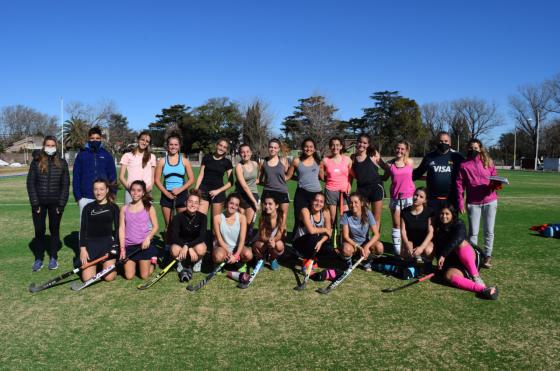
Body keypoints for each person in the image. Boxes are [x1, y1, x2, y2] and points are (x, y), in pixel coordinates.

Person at [433, 204, 498, 300]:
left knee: (461, 243)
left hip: (470, 258)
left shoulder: (459, 223)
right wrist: (441, 263)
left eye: (447, 213)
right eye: (442, 213)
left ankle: (476, 277)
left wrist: (443, 254)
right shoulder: (437, 227)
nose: (444, 216)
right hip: (454, 264)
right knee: (448, 276)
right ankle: (482, 289)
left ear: (453, 215)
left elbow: (459, 238)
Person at [26, 136, 69, 271]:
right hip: (39, 204)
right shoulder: (36, 162)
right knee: (39, 231)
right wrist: (35, 203)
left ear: (56, 147)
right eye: (48, 145)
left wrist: (61, 204)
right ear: (44, 146)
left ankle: (53, 258)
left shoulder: (62, 163)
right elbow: (30, 183)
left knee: (54, 230)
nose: (50, 147)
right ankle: (38, 259)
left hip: (55, 204)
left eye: (53, 145)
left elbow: (65, 185)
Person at [456, 138, 499, 269]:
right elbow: (459, 185)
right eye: (471, 148)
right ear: (468, 149)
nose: (473, 150)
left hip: (490, 201)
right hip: (473, 203)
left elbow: (495, 177)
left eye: (476, 148)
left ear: (480, 149)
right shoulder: (463, 165)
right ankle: (473, 256)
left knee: (489, 231)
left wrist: (496, 184)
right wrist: (460, 203)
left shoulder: (488, 162)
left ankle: (487, 256)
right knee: (473, 232)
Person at [154, 132, 195, 241]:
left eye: (176, 144)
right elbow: (156, 180)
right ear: (167, 146)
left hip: (181, 195)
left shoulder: (184, 161)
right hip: (166, 196)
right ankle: (168, 248)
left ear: (179, 146)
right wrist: (167, 193)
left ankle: (183, 247)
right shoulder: (162, 161)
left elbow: (191, 179)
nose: (173, 147)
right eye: (171, 144)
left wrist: (180, 190)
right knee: (169, 225)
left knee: (183, 224)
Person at [378, 140, 415, 255]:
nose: (399, 150)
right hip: (395, 198)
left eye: (402, 149)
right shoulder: (390, 164)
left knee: (409, 224)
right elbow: (384, 177)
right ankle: (397, 251)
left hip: (409, 198)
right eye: (398, 148)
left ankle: (408, 248)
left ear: (406, 150)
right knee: (397, 224)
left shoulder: (410, 162)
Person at [79, 178, 119, 282]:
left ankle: (112, 265)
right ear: (93, 190)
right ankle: (98, 265)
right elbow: (83, 229)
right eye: (96, 189)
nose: (98, 192)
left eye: (101, 189)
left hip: (107, 245)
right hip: (91, 245)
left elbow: (118, 228)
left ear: (107, 190)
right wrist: (83, 249)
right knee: (87, 279)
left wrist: (115, 246)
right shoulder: (87, 208)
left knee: (109, 277)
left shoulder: (113, 207)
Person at [73, 126, 117, 220]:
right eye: (92, 138)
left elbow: (112, 176)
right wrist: (78, 197)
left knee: (102, 224)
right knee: (85, 226)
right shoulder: (82, 155)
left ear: (101, 139)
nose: (95, 140)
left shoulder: (106, 155)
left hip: (104, 196)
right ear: (88, 139)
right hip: (85, 197)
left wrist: (112, 194)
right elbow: (76, 177)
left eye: (97, 138)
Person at [413, 131, 464, 211]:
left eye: (446, 141)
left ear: (450, 143)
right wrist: (402, 175)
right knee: (431, 223)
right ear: (437, 142)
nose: (443, 143)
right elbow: (418, 173)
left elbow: (468, 172)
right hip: (432, 200)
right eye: (440, 141)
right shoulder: (429, 157)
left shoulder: (457, 157)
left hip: (451, 200)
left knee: (450, 223)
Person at [118, 180, 159, 280]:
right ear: (129, 191)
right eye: (133, 190)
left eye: (139, 190)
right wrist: (122, 248)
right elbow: (121, 228)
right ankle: (137, 263)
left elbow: (155, 226)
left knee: (144, 276)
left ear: (143, 192)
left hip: (143, 246)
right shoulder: (124, 209)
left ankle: (152, 262)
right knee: (129, 276)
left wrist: (148, 238)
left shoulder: (149, 207)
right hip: (129, 246)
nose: (135, 193)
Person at [169, 190, 207, 282]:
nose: (193, 205)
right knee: (174, 250)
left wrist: (188, 246)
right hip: (181, 245)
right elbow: (174, 237)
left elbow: (202, 237)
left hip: (195, 245)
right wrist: (186, 246)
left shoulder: (203, 217)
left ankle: (198, 261)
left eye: (196, 203)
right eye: (190, 202)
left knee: (201, 249)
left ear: (198, 205)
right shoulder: (177, 217)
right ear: (186, 203)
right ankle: (180, 262)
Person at [339, 193, 383, 271]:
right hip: (352, 245)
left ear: (361, 203)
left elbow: (376, 234)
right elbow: (345, 236)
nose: (353, 205)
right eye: (351, 202)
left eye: (356, 202)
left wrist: (366, 247)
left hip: (365, 244)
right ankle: (349, 262)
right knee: (346, 249)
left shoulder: (368, 213)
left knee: (379, 247)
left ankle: (367, 262)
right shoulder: (345, 215)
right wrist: (359, 247)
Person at [286, 138, 322, 234]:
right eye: (306, 146)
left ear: (314, 149)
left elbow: (323, 177)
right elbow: (288, 176)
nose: (308, 149)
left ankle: (315, 240)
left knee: (315, 219)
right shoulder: (296, 161)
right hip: (301, 194)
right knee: (299, 218)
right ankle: (296, 241)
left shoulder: (318, 161)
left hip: (316, 194)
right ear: (302, 148)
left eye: (311, 147)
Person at [350, 133, 384, 230]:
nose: (362, 144)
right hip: (361, 190)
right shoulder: (353, 158)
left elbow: (385, 167)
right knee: (362, 217)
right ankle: (365, 240)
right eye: (360, 142)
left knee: (376, 218)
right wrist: (349, 187)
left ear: (368, 145)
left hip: (376, 188)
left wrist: (385, 177)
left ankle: (375, 242)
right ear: (357, 143)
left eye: (365, 143)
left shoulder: (373, 154)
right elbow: (351, 175)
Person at [320, 137, 352, 232]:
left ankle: (344, 240)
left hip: (344, 192)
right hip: (331, 192)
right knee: (332, 219)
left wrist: (349, 185)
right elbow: (321, 176)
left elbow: (351, 175)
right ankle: (333, 241)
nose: (335, 147)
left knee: (345, 218)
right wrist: (330, 181)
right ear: (330, 147)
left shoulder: (347, 159)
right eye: (333, 145)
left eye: (337, 145)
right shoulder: (325, 160)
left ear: (341, 146)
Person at [195, 138, 234, 217]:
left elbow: (231, 182)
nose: (221, 148)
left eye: (224, 147)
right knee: (200, 218)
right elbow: (200, 175)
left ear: (226, 150)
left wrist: (217, 191)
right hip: (203, 191)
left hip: (218, 194)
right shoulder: (206, 158)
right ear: (216, 145)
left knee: (216, 223)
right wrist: (196, 190)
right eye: (220, 145)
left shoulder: (227, 162)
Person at [292, 193, 332, 269]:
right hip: (300, 243)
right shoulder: (305, 211)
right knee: (313, 236)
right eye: (316, 200)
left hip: (315, 242)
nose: (318, 203)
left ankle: (314, 258)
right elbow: (311, 230)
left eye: (321, 201)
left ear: (324, 204)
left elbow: (328, 233)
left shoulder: (326, 212)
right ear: (311, 201)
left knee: (328, 246)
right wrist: (325, 229)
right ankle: (307, 259)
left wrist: (321, 242)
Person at [211, 193, 252, 266]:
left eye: (236, 205)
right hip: (223, 247)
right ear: (227, 203)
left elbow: (242, 240)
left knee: (248, 254)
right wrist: (229, 252)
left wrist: (236, 255)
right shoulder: (217, 218)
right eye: (231, 203)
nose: (233, 206)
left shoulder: (242, 218)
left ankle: (241, 263)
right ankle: (219, 263)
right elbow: (219, 239)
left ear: (238, 207)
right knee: (218, 256)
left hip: (238, 247)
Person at [259, 138, 290, 235]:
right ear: (268, 148)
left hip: (282, 192)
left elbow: (287, 176)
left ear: (278, 149)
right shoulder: (263, 162)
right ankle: (265, 236)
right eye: (271, 147)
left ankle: (280, 236)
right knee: (265, 216)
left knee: (282, 216)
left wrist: (280, 182)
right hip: (268, 192)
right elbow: (259, 179)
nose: (273, 149)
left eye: (275, 148)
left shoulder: (284, 161)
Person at [119, 131, 157, 204]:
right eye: (142, 139)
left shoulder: (152, 157)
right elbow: (121, 177)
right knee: (129, 215)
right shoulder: (127, 155)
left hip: (146, 192)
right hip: (131, 192)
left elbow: (152, 177)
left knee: (146, 215)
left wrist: (150, 187)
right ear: (138, 139)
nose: (144, 142)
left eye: (147, 141)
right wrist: (131, 189)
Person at [400, 187, 434, 262]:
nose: (417, 198)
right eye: (416, 195)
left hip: (424, 241)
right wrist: (406, 244)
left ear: (425, 200)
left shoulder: (429, 212)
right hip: (410, 241)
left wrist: (421, 247)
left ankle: (425, 264)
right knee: (405, 252)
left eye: (421, 197)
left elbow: (430, 233)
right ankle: (412, 263)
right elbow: (403, 231)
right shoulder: (404, 212)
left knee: (429, 251)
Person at [252, 195, 285, 271]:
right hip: (264, 242)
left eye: (270, 204)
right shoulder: (262, 217)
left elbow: (279, 235)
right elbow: (262, 236)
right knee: (258, 245)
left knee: (279, 245)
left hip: (274, 242)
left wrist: (273, 242)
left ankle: (272, 259)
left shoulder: (281, 217)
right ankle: (261, 259)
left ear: (276, 205)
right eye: (265, 204)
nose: (267, 206)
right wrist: (270, 241)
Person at [234, 144, 260, 238]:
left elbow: (257, 179)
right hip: (241, 195)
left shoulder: (256, 164)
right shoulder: (239, 167)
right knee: (241, 222)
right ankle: (237, 244)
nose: (245, 154)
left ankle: (246, 244)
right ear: (240, 154)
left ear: (251, 152)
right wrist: (255, 202)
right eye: (243, 152)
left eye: (247, 151)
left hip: (253, 193)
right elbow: (244, 186)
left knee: (249, 223)